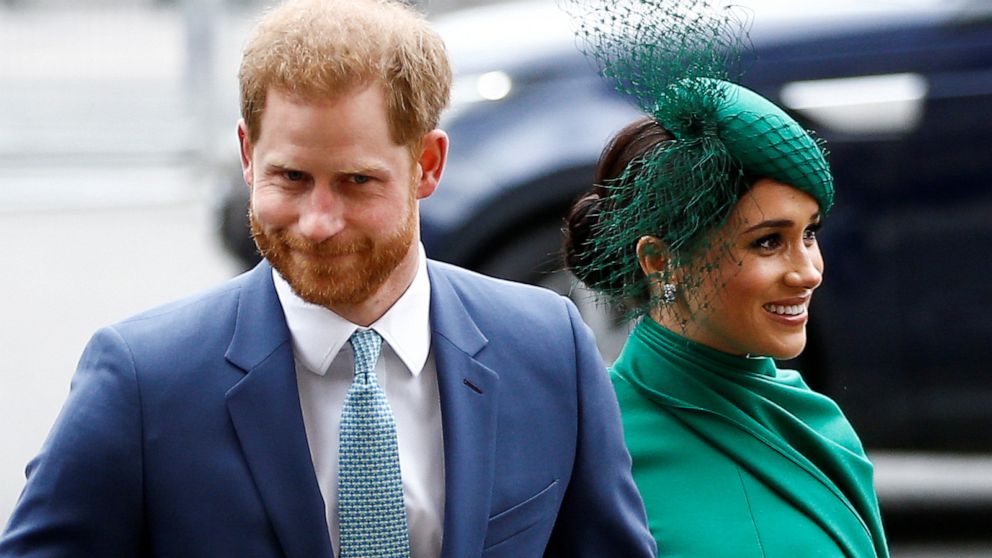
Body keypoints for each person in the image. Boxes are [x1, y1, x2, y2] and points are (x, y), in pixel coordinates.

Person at [0, 1, 654, 556]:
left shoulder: (548, 350)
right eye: (291, 177)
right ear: (248, 157)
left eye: (356, 182)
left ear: (427, 164)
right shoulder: (143, 379)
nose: (317, 222)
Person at [561, 1, 889, 556]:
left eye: (809, 233)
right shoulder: (600, 452)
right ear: (659, 260)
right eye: (767, 241)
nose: (808, 271)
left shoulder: (813, 415)